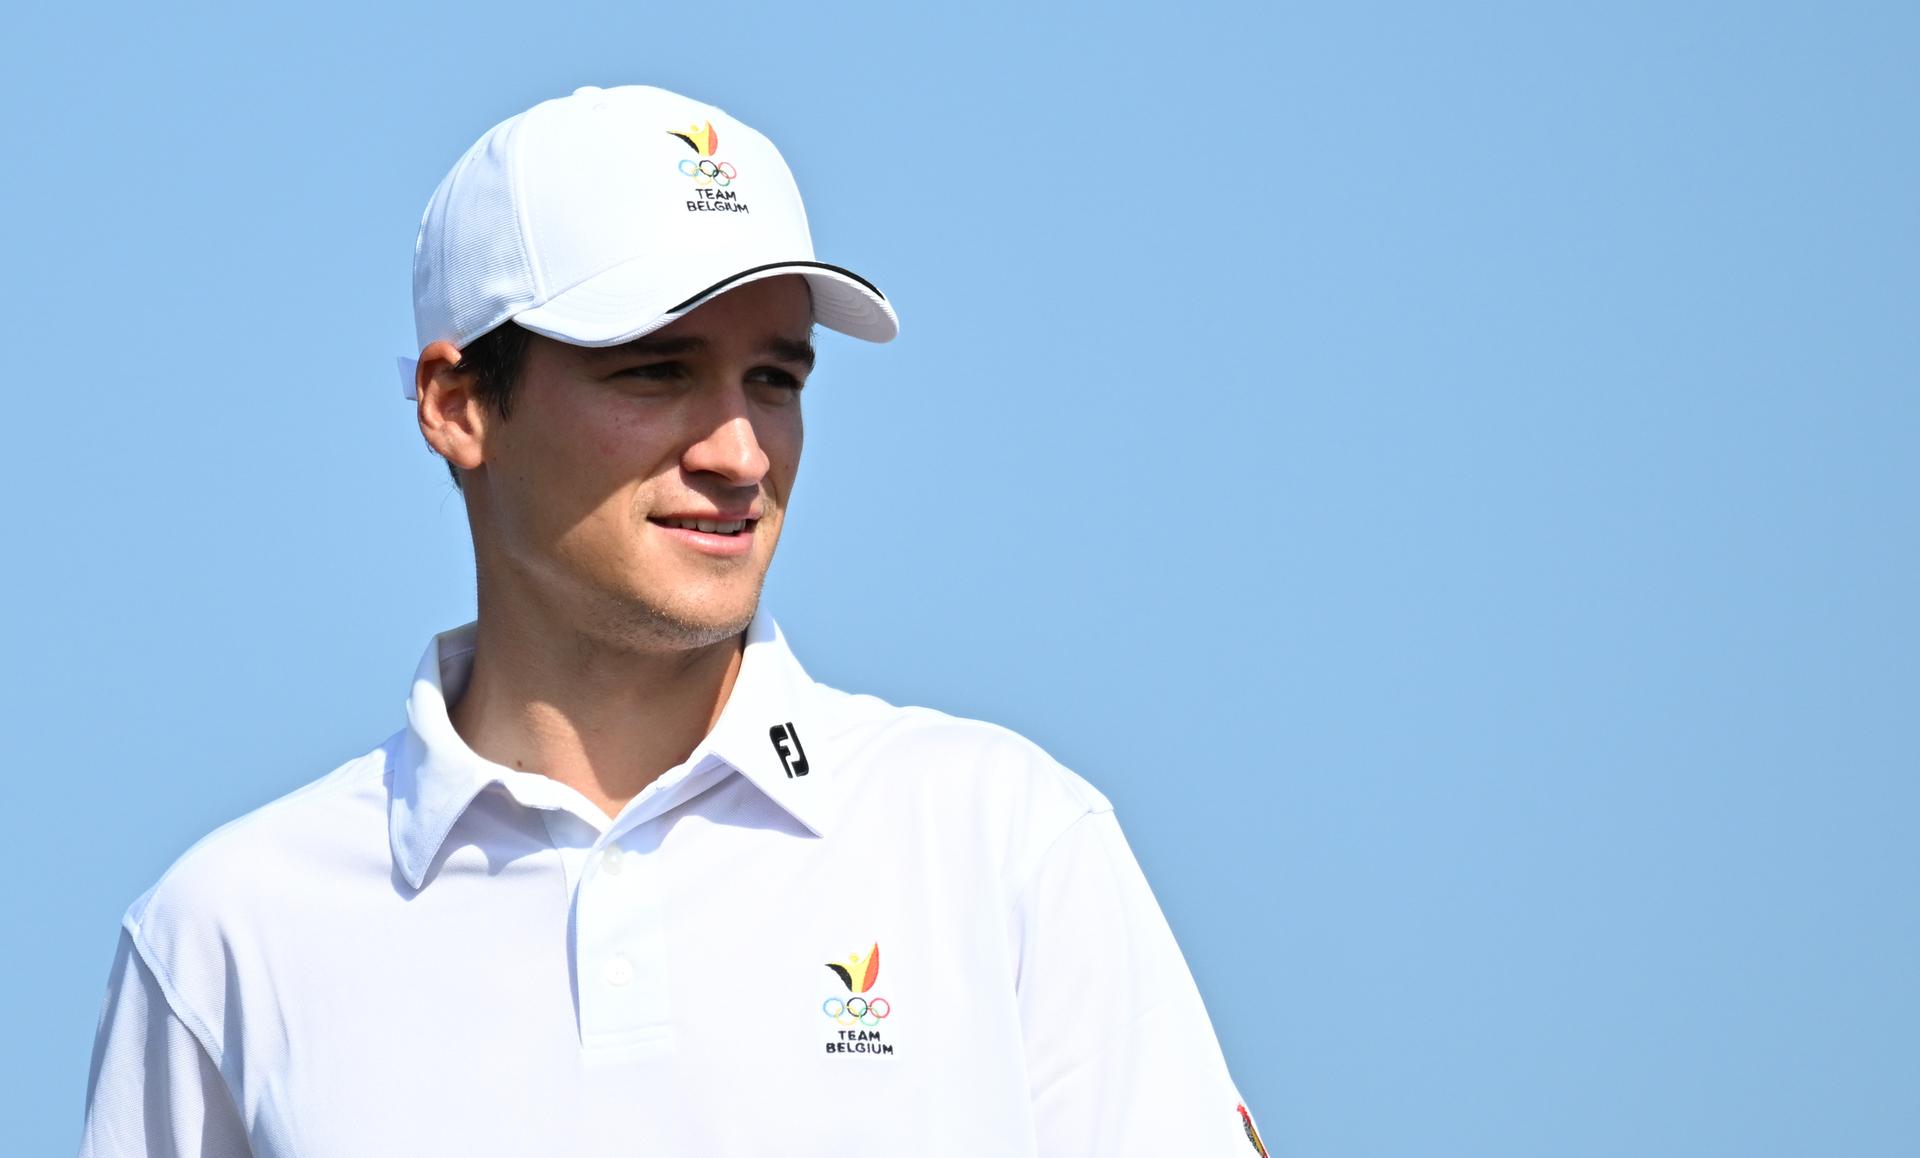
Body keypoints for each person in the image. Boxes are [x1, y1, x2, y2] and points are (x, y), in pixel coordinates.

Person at [78, 83, 1270, 1158]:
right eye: (654, 372)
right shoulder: (225, 937)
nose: (741, 451)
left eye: (777, 379)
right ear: (456, 406)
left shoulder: (1003, 841)